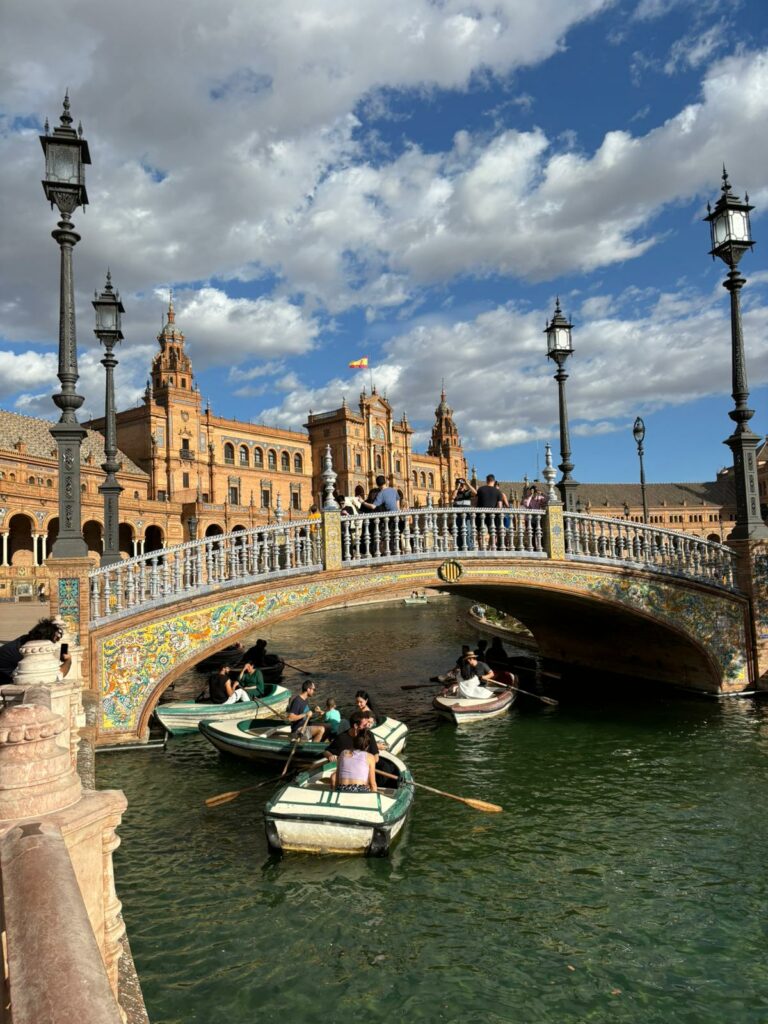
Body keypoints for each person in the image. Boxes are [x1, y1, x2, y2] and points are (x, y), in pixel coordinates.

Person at [0, 617, 71, 685]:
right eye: (55, 640)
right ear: (45, 640)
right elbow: (57, 676)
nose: (54, 643)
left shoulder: (24, 640)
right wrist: (68, 660)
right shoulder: (28, 652)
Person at [452, 476, 476, 550]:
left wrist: (467, 483)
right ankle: (459, 549)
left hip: (467, 517)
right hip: (458, 517)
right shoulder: (456, 492)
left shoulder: (467, 492)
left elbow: (475, 493)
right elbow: (452, 497)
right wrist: (457, 487)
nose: (461, 486)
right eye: (459, 484)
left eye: (461, 484)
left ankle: (470, 549)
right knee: (458, 533)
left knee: (468, 532)